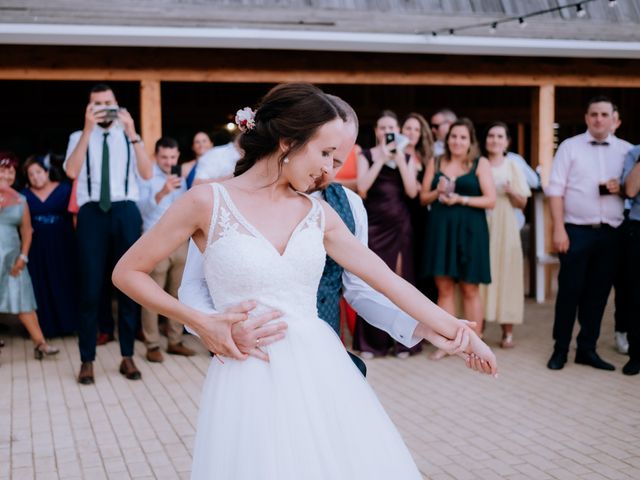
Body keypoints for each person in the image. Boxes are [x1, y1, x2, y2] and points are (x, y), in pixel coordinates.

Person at [112, 83, 497, 479]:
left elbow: (386, 280)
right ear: (287, 142)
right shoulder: (206, 201)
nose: (331, 169)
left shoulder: (319, 214)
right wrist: (202, 323)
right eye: (326, 153)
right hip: (247, 376)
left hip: (321, 371)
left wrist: (456, 331)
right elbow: (127, 272)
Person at [179, 96, 458, 375]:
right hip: (248, 363)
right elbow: (193, 285)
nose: (327, 170)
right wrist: (216, 328)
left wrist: (419, 326)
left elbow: (362, 287)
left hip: (322, 360)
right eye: (325, 154)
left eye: (337, 161)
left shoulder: (347, 206)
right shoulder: (228, 202)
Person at [64, 83, 153, 384]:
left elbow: (147, 173)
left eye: (108, 102)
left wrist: (134, 133)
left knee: (128, 284)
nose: (103, 107)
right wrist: (87, 130)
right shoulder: (78, 136)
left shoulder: (128, 136)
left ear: (117, 104)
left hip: (125, 210)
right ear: (90, 108)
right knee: (89, 287)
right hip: (92, 213)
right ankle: (86, 358)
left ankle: (127, 355)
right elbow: (72, 171)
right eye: (97, 103)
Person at [545, 96, 631, 371]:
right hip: (576, 231)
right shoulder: (569, 148)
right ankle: (560, 349)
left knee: (598, 294)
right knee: (569, 292)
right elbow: (555, 190)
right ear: (586, 118)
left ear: (614, 119)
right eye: (593, 114)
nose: (598, 119)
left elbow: (634, 190)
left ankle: (587, 349)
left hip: (612, 233)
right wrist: (558, 229)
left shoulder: (627, 151)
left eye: (604, 114)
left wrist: (624, 186)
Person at [419, 118, 496, 360]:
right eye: (453, 136)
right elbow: (423, 198)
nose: (457, 141)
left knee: (470, 287)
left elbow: (490, 199)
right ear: (447, 139)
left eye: (463, 137)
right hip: (441, 229)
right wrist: (438, 192)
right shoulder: (436, 161)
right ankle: (448, 343)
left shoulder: (479, 163)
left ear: (470, 141)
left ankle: (476, 341)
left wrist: (461, 199)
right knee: (444, 287)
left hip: (471, 230)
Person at [354, 110, 421, 358]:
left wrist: (400, 158)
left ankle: (404, 342)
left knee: (401, 280)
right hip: (375, 224)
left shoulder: (407, 156)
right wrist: (381, 158)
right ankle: (373, 343)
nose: (386, 132)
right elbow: (362, 187)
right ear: (376, 132)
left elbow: (412, 191)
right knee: (374, 280)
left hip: (400, 223)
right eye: (382, 128)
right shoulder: (367, 155)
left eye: (391, 128)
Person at [137, 137, 195, 362]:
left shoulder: (182, 176)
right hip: (155, 240)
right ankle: (152, 344)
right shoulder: (147, 175)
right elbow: (140, 209)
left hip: (180, 241)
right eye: (164, 157)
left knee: (178, 294)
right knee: (152, 296)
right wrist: (162, 192)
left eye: (173, 157)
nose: (169, 162)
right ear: (156, 156)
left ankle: (175, 341)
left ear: (177, 156)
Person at [0, 153, 59, 359]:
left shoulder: (21, 199)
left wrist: (23, 256)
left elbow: (26, 231)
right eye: (3, 170)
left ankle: (40, 343)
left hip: (12, 255)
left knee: (23, 298)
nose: (7, 174)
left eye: (11, 171)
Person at [480, 122, 531, 348]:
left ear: (507, 141)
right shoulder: (479, 164)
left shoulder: (513, 165)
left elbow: (523, 203)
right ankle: (477, 328)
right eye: (491, 135)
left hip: (506, 223)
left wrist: (511, 191)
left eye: (500, 136)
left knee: (507, 272)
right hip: (482, 221)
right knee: (480, 275)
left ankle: (507, 332)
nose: (495, 140)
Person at [22, 157, 78, 338]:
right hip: (36, 246)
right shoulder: (23, 195)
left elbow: (75, 216)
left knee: (63, 280)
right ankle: (44, 328)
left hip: (62, 243)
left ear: (46, 172)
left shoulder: (64, 189)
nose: (35, 177)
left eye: (38, 172)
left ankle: (68, 324)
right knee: (39, 284)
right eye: (31, 174)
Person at [621, 143, 640, 375]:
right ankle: (637, 353)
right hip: (638, 227)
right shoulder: (634, 153)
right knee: (636, 295)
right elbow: (630, 190)